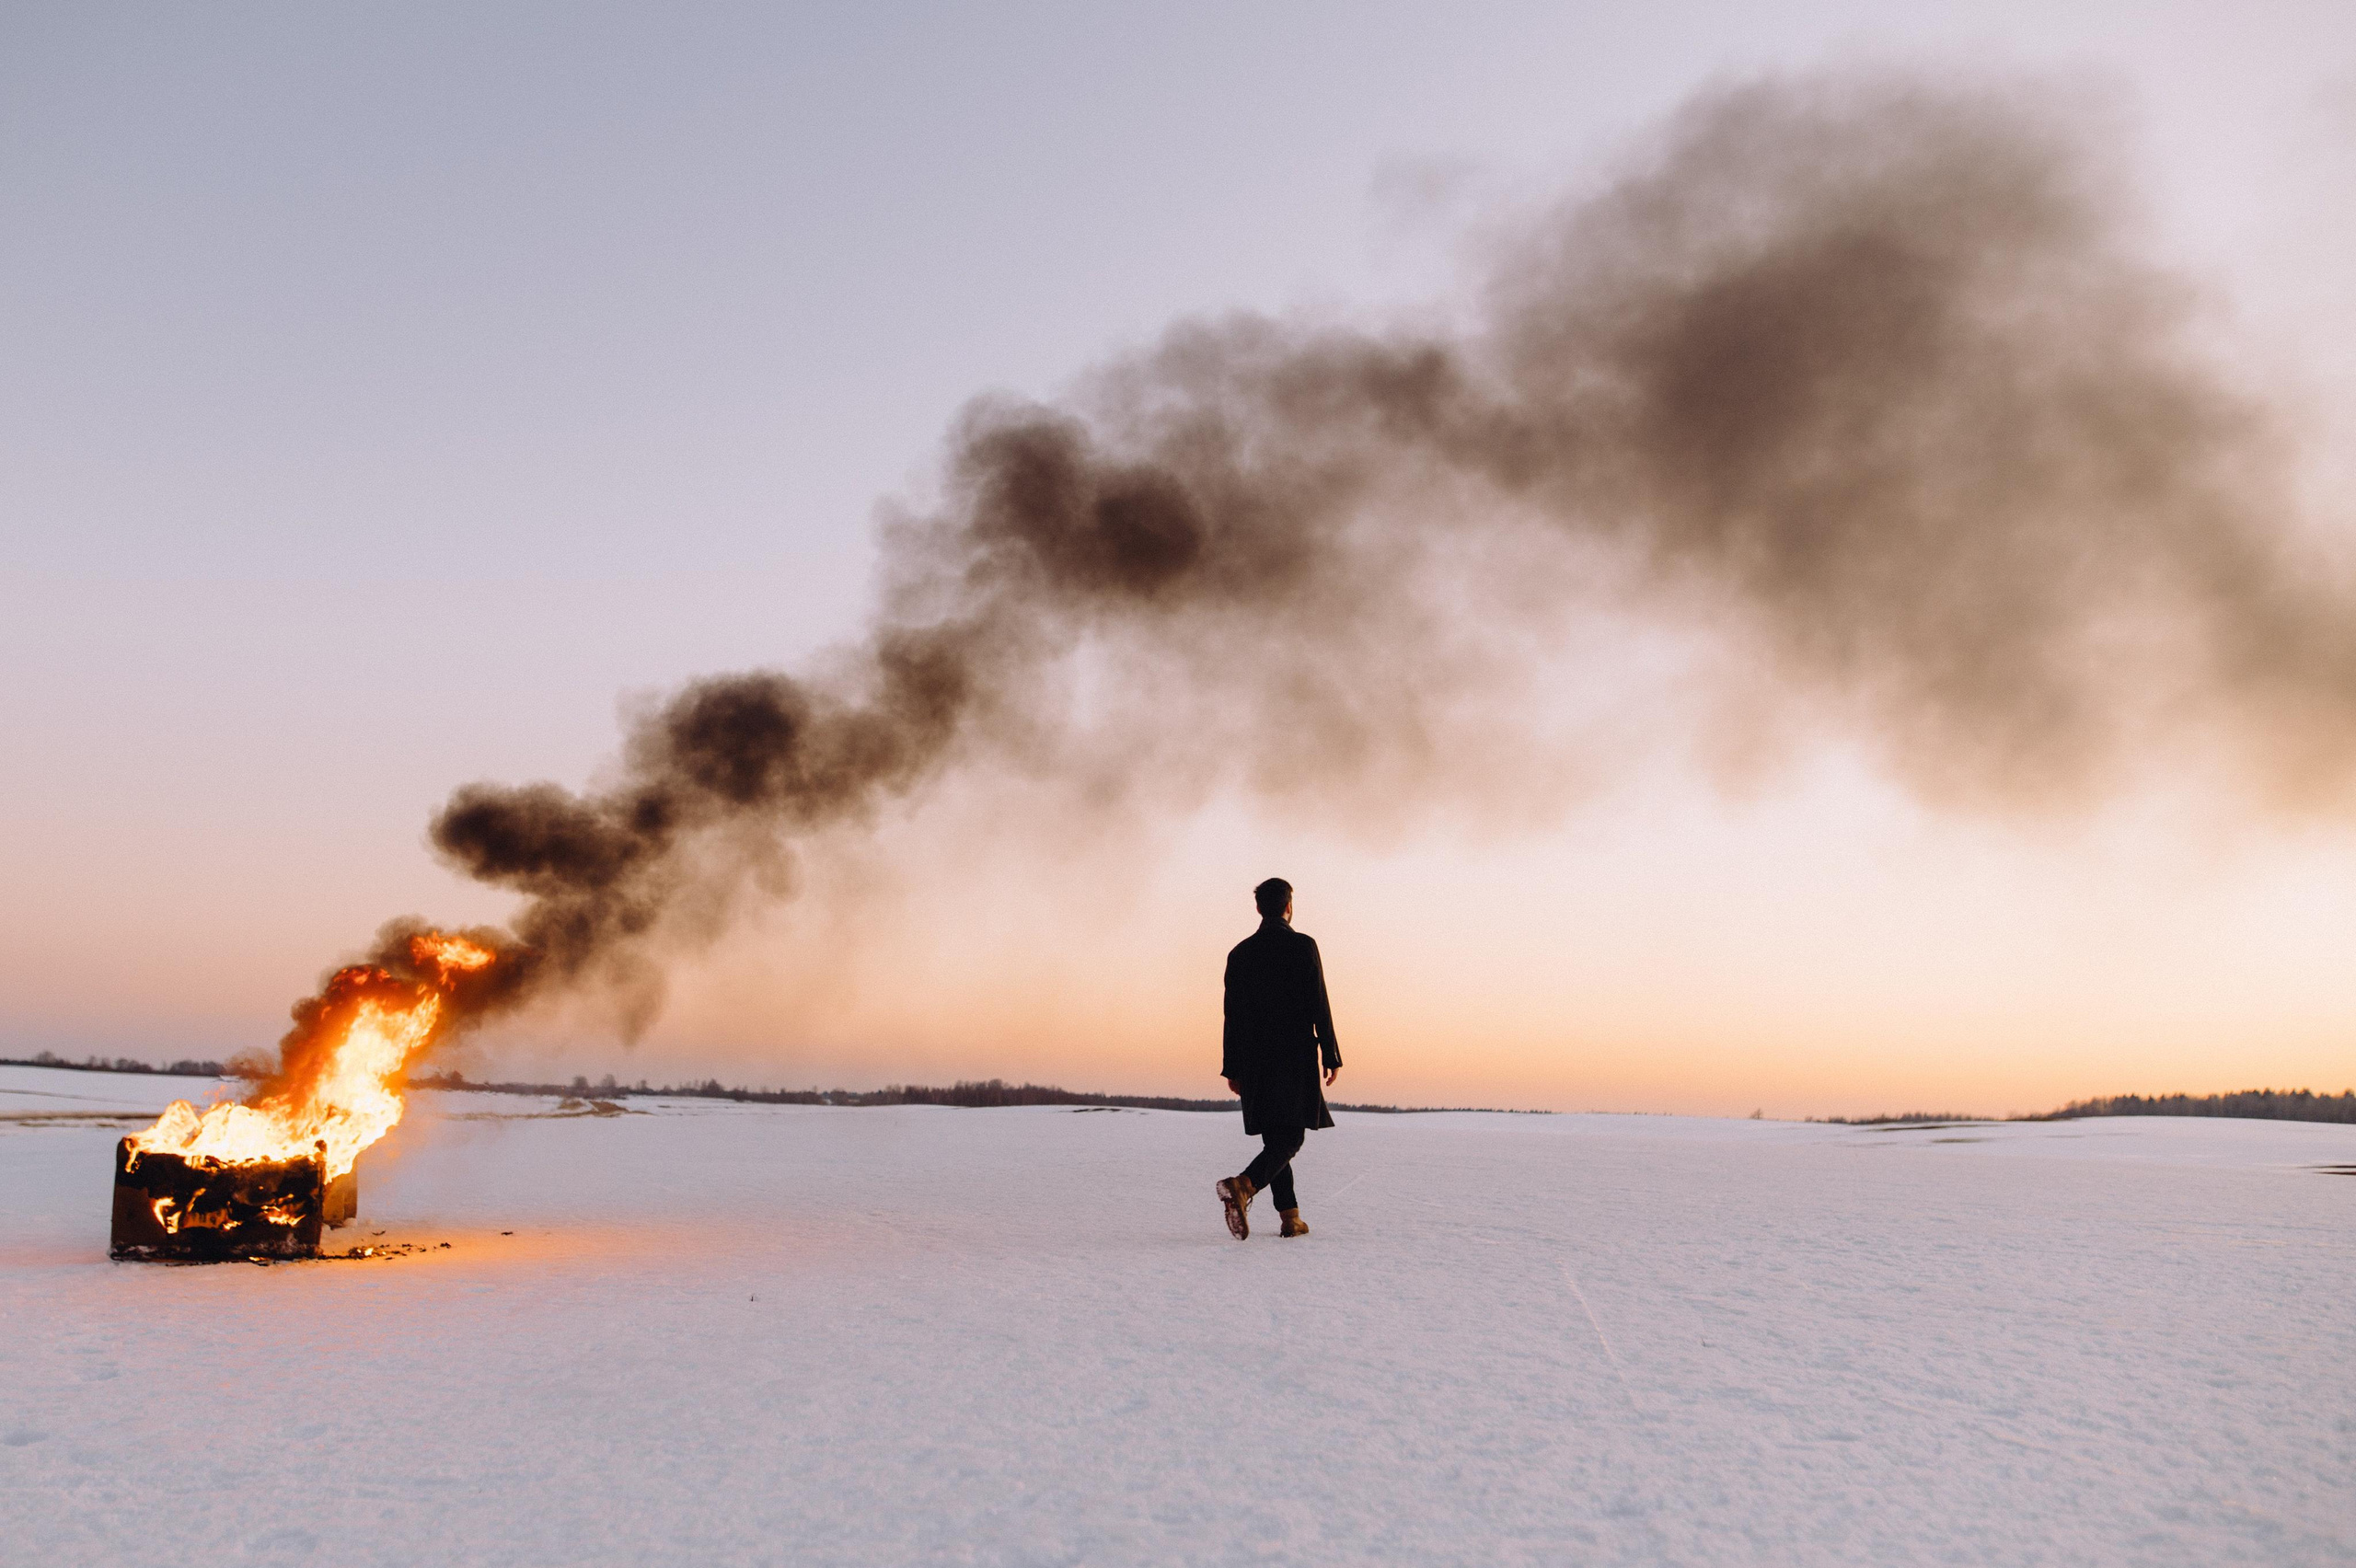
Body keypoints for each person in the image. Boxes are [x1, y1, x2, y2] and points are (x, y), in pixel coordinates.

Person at [1215, 877, 1342, 1239]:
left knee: (1275, 1138)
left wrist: (1232, 1067)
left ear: (1259, 908)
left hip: (1254, 1060)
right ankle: (1243, 1185)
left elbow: (1231, 1016)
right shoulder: (1303, 946)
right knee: (1291, 1139)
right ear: (1289, 906)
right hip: (1293, 1055)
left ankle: (1290, 1218)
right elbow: (1320, 1001)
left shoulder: (1240, 953)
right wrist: (1330, 1053)